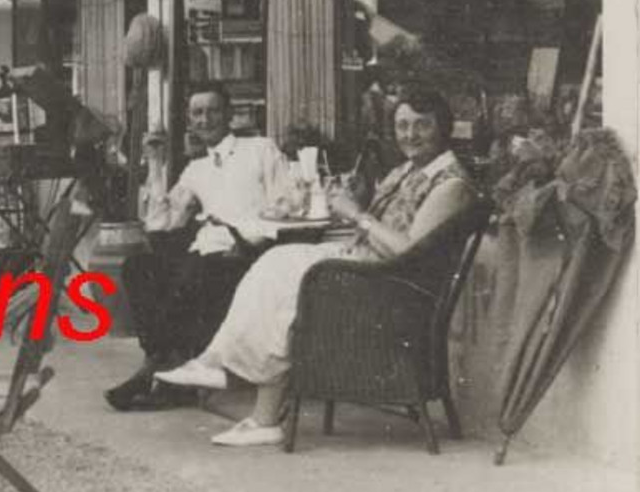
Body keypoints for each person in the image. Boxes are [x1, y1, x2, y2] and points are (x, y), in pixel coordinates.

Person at [157, 86, 478, 446]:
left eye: (422, 125)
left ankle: (243, 390)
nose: (410, 135)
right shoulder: (406, 170)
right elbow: (382, 226)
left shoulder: (450, 183)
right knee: (275, 270)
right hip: (365, 268)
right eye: (403, 125)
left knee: (284, 281)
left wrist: (357, 215)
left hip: (389, 289)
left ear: (443, 127)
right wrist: (360, 202)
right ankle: (229, 376)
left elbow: (408, 252)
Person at [106, 84, 290, 412]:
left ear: (230, 115)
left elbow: (285, 204)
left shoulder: (261, 149)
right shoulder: (197, 169)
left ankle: (160, 375)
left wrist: (247, 239)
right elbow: (161, 222)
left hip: (248, 255)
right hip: (206, 254)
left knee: (198, 272)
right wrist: (157, 163)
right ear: (190, 120)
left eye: (213, 111)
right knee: (138, 267)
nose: (205, 120)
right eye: (197, 113)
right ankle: (161, 366)